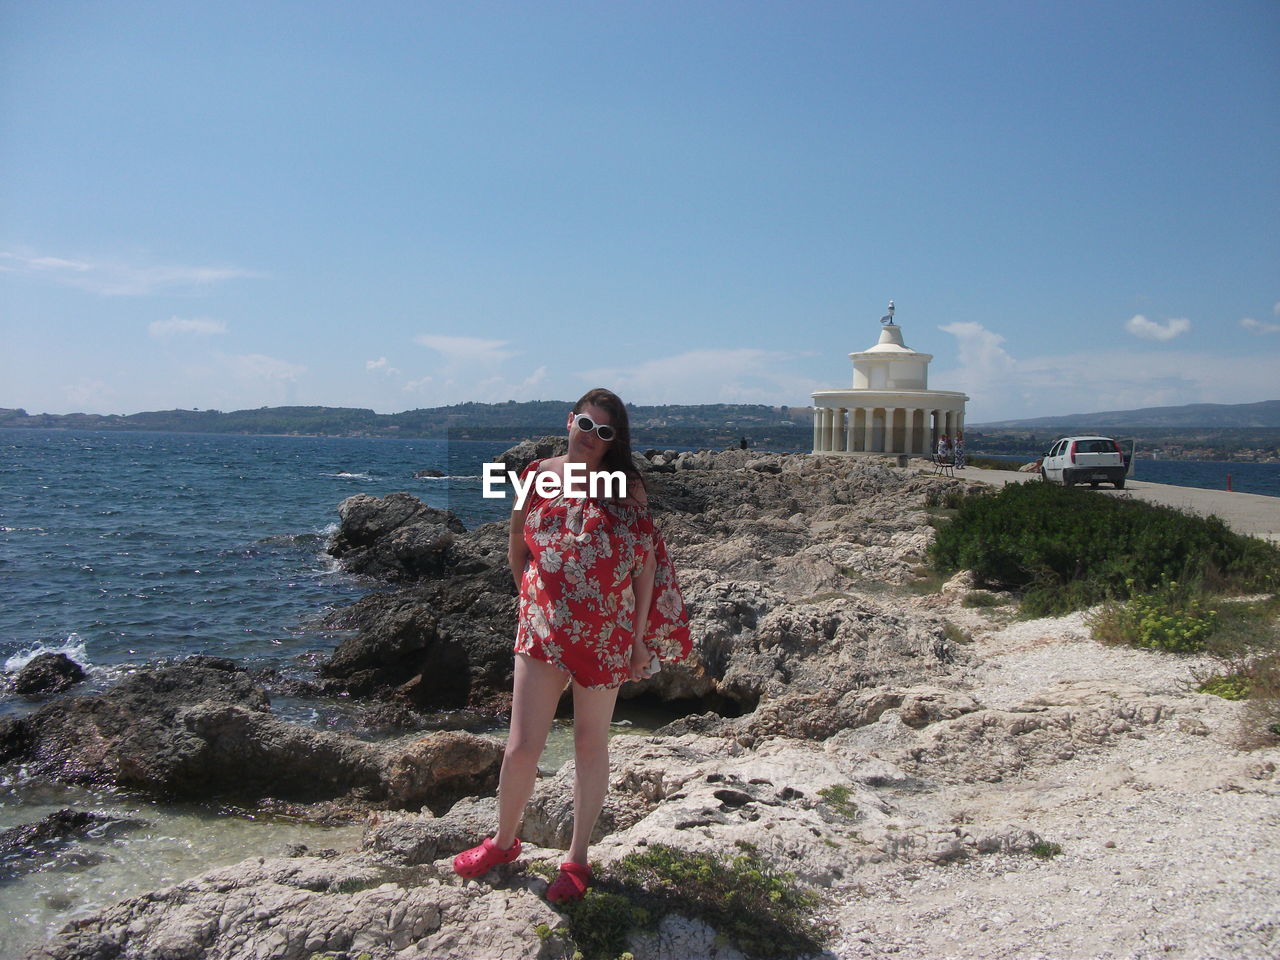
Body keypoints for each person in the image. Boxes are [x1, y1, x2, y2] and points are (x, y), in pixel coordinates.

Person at [452, 387, 691, 903]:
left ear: (613, 442)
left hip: (607, 634)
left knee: (589, 745)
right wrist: (532, 602)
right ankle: (503, 841)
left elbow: (646, 564)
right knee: (521, 747)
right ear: (570, 421)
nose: (592, 437)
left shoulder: (625, 486)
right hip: (541, 630)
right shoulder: (536, 476)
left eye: (605, 432)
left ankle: (577, 858)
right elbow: (517, 548)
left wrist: (638, 639)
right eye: (586, 424)